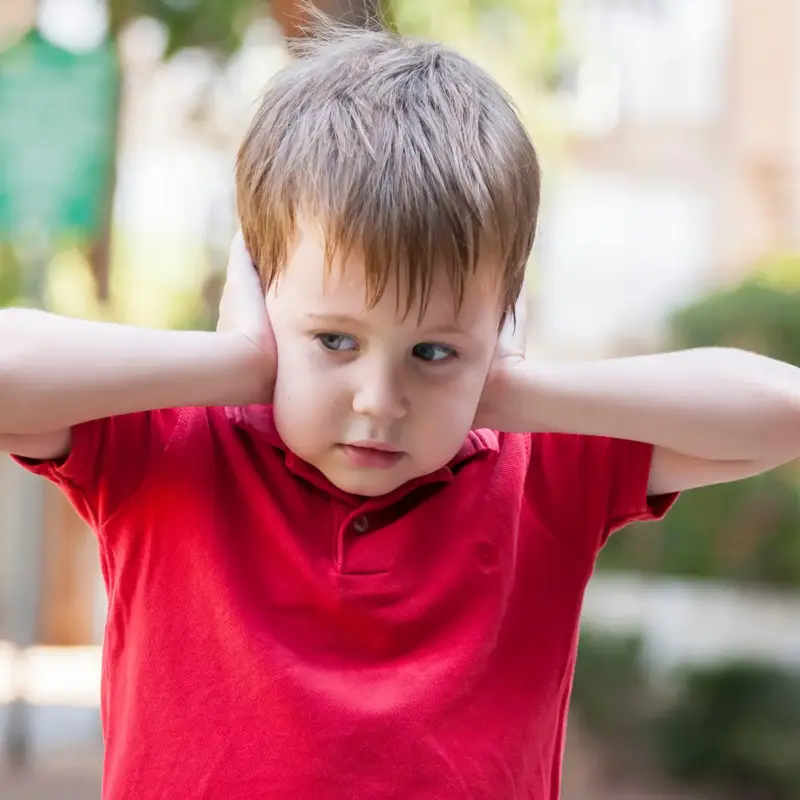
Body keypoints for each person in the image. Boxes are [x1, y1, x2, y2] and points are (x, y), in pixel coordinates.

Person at [1, 14, 799, 800]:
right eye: (335, 342)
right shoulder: (171, 446)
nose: (380, 403)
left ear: (501, 328)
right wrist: (238, 364)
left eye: (433, 352)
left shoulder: (543, 469)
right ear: (260, 295)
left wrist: (510, 390)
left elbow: (783, 412)